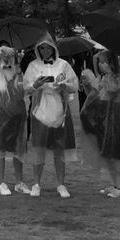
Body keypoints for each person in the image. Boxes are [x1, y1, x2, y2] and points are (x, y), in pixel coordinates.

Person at [22, 35, 79, 198]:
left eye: (47, 48)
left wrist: (64, 85)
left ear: (53, 48)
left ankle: (61, 184)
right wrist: (36, 85)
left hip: (59, 109)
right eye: (41, 48)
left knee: (59, 149)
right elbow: (26, 88)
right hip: (40, 110)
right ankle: (36, 183)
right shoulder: (33, 66)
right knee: (38, 147)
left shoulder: (64, 65)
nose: (45, 51)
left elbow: (74, 85)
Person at [79, 50, 120, 198]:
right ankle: (114, 184)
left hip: (113, 117)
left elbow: (112, 90)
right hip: (102, 116)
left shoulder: (118, 77)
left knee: (115, 153)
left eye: (104, 62)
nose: (101, 65)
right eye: (100, 62)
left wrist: (101, 79)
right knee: (106, 152)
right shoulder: (103, 77)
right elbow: (93, 95)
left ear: (112, 63)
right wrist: (88, 85)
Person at [0, 46, 28, 195]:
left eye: (10, 57)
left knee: (19, 148)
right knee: (0, 147)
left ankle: (19, 182)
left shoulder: (18, 71)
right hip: (1, 114)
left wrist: (19, 72)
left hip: (18, 114)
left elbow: (23, 91)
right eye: (6, 58)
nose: (8, 61)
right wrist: (1, 50)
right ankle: (0, 183)